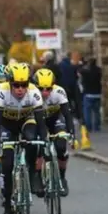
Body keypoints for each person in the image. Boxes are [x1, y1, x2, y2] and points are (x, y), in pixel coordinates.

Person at [0, 62, 48, 214]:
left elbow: (41, 122)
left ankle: (32, 175)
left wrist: (44, 141)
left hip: (26, 121)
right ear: (10, 83)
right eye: (16, 85)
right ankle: (8, 209)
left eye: (24, 85)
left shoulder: (34, 92)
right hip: (6, 125)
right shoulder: (0, 92)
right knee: (7, 165)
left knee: (31, 140)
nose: (20, 89)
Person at [33, 68, 75, 196]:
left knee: (61, 146)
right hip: (38, 121)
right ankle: (38, 177)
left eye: (48, 89)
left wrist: (71, 133)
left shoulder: (59, 92)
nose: (45, 92)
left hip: (56, 119)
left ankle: (62, 178)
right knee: (38, 146)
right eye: (41, 89)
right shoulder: (30, 92)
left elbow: (67, 114)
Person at [79, 57, 102, 132]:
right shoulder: (98, 71)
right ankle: (97, 126)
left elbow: (79, 71)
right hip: (97, 93)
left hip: (88, 93)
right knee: (97, 111)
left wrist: (83, 65)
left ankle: (88, 127)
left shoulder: (85, 71)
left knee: (87, 112)